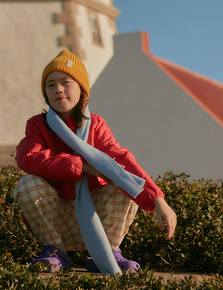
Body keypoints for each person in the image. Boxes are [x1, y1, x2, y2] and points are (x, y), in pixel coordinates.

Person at [13, 49, 177, 274]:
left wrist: (157, 198)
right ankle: (54, 251)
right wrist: (83, 167)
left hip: (95, 213)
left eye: (65, 82)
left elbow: (122, 161)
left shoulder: (97, 125)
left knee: (125, 180)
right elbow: (27, 158)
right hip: (58, 215)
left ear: (82, 90)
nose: (58, 89)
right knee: (27, 184)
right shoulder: (38, 124)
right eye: (50, 85)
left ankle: (107, 252)